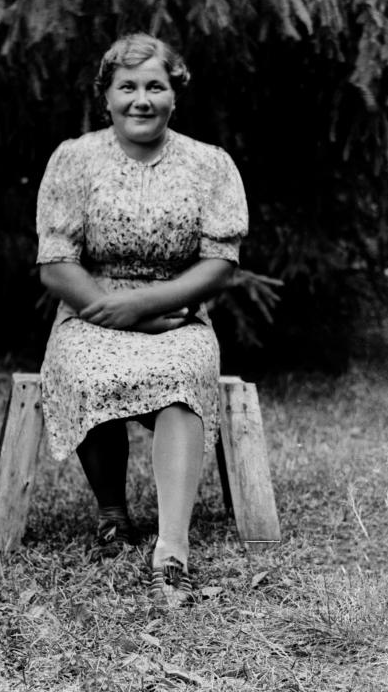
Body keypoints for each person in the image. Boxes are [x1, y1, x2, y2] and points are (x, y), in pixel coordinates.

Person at [36, 33, 248, 606]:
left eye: (155, 86)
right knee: (85, 365)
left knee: (183, 375)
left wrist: (147, 308)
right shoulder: (75, 159)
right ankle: (113, 515)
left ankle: (172, 550)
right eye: (127, 86)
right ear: (106, 96)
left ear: (174, 95)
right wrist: (117, 313)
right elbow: (56, 264)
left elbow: (220, 263)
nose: (141, 99)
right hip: (90, 311)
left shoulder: (209, 164)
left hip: (177, 315)